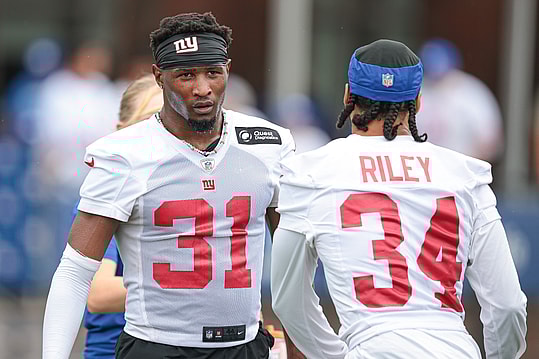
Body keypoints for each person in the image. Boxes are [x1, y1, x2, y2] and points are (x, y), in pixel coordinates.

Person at [42, 12, 296, 359]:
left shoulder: (267, 144)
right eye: (186, 75)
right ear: (158, 77)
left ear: (228, 70)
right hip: (157, 347)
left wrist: (299, 345)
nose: (202, 88)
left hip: (243, 345)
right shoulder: (124, 154)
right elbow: (74, 271)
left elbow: (292, 262)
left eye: (213, 73)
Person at [271, 39, 527, 359]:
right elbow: (508, 305)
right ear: (418, 103)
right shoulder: (465, 175)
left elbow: (288, 299)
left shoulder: (311, 172)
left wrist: (333, 355)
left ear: (349, 95)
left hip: (371, 346)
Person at [81, 73, 163, 358]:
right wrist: (192, 291)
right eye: (152, 118)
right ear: (121, 130)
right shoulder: (108, 196)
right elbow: (98, 295)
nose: (165, 131)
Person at [416, 38, 504, 163]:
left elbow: (490, 143)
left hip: (461, 170)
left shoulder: (471, 92)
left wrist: (466, 168)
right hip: (425, 171)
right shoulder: (418, 91)